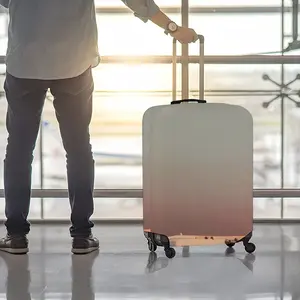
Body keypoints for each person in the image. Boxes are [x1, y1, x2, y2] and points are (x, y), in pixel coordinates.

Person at [0, 0, 198, 255]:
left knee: (18, 151)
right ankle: (82, 234)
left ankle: (16, 235)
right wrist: (172, 27)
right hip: (74, 63)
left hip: (25, 62)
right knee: (79, 149)